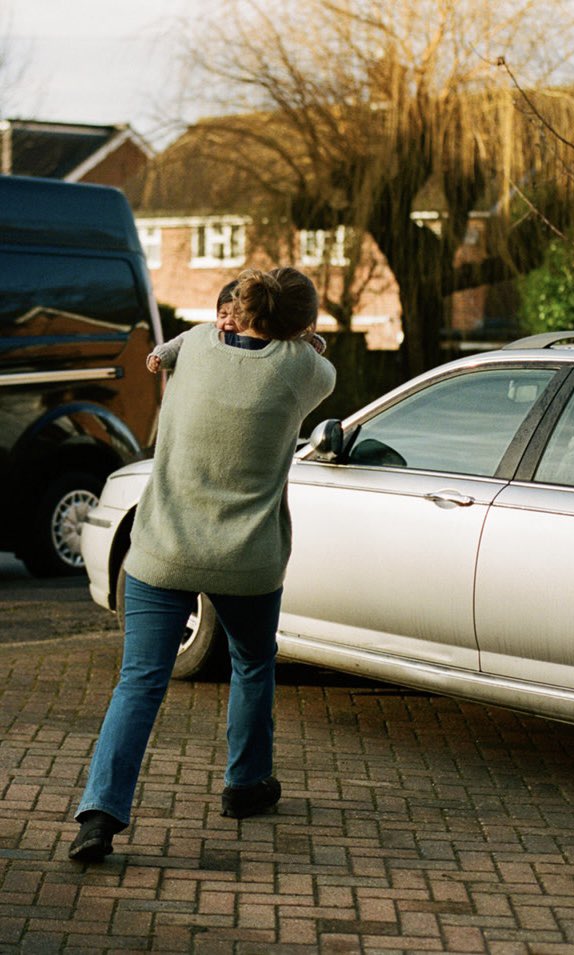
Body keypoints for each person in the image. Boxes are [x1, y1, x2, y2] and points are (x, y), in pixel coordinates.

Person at [69, 267, 336, 863]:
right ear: (301, 328)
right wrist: (305, 338)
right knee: (251, 663)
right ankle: (245, 786)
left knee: (139, 681)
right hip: (247, 560)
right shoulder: (303, 369)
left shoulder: (192, 344)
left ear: (235, 312)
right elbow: (315, 360)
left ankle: (99, 816)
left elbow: (173, 350)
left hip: (161, 549)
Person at [146, 280, 326, 374]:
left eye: (237, 316)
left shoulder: (261, 339)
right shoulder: (207, 334)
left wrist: (310, 340)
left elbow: (286, 342)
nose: (229, 321)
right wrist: (160, 356)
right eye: (223, 315)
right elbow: (179, 343)